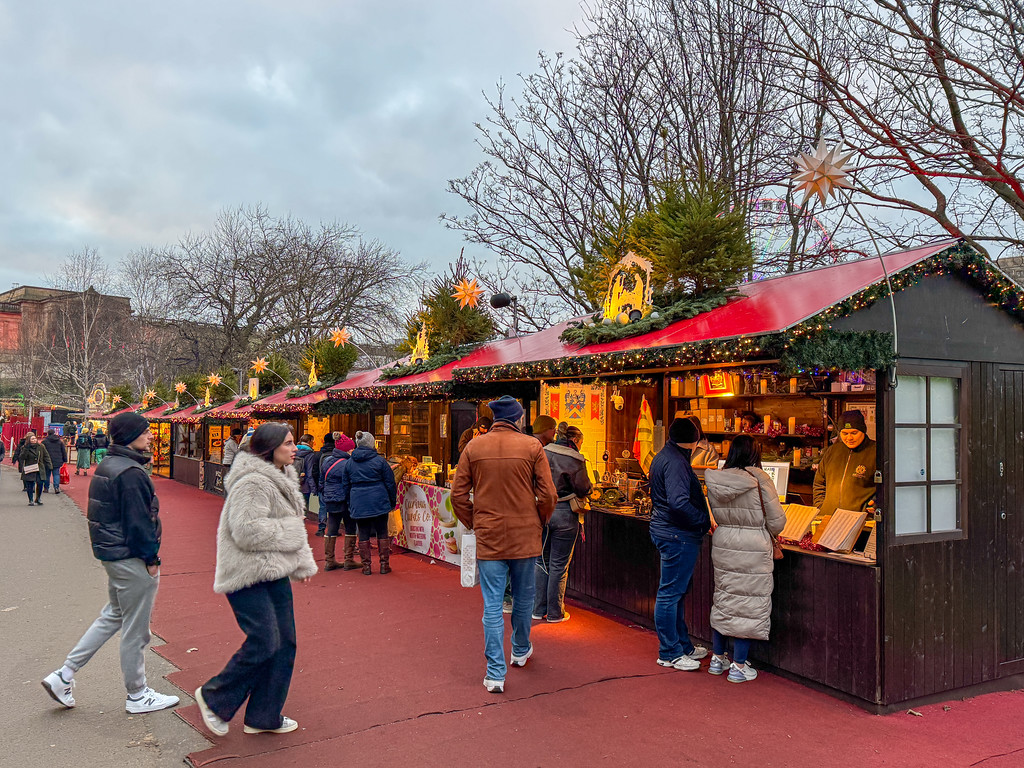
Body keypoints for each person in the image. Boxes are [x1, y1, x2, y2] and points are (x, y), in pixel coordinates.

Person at [41, 412, 179, 713]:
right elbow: (139, 522)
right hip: (130, 557)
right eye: (145, 431)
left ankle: (64, 674)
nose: (151, 435)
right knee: (136, 630)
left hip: (113, 553)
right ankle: (137, 694)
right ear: (131, 436)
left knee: (113, 615)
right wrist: (151, 558)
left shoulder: (110, 465)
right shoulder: (130, 472)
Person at [194, 422, 318, 738]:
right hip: (246, 572)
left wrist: (300, 562)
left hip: (272, 570)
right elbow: (246, 530)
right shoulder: (253, 482)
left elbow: (287, 522)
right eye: (288, 443)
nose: (295, 448)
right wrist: (293, 536)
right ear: (270, 448)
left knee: (285, 643)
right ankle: (215, 697)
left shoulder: (282, 477)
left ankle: (264, 715)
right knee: (265, 640)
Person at [452, 395, 557, 694]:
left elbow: (458, 496)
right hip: (525, 534)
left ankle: (495, 672)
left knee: (493, 604)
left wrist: (475, 521)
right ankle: (520, 649)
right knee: (524, 597)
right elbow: (548, 495)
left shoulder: (474, 447)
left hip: (490, 535)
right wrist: (539, 520)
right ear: (518, 418)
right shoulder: (532, 447)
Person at [703, 435, 787, 683]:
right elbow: (777, 522)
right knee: (748, 605)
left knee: (725, 600)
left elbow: (716, 512)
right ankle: (739, 666)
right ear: (754, 453)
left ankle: (717, 659)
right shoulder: (760, 478)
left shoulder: (717, 478)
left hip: (724, 542)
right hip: (753, 547)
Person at [648, 417, 712, 672]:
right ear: (694, 442)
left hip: (668, 529)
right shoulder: (677, 462)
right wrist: (702, 521)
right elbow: (679, 502)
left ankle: (682, 645)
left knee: (675, 593)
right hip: (678, 534)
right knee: (670, 593)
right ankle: (670, 652)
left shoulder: (664, 456)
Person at [533, 423, 592, 623]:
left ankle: (537, 609)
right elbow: (584, 488)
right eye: (581, 443)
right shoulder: (575, 459)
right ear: (574, 440)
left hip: (542, 511)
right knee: (558, 565)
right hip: (565, 513)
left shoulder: (542, 452)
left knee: (541, 561)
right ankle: (555, 613)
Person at [340, 432, 397, 575]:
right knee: (382, 531)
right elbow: (390, 483)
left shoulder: (350, 463)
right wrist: (392, 501)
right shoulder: (380, 461)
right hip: (379, 499)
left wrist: (350, 501)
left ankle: (366, 566)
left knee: (363, 531)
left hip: (358, 499)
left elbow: (345, 485)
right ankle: (384, 565)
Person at [813, 409, 877, 516]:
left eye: (854, 433)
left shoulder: (875, 452)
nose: (849, 438)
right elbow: (819, 483)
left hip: (860, 519)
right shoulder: (832, 451)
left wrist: (877, 501)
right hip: (828, 517)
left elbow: (886, 486)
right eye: (845, 433)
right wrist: (821, 507)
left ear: (863, 430)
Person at [320, 432, 357, 571]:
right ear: (347, 450)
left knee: (332, 527)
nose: (353, 451)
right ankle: (349, 559)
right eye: (351, 449)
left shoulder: (327, 460)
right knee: (350, 527)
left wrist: (325, 493)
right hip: (345, 499)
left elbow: (321, 480)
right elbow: (350, 482)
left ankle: (329, 560)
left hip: (330, 498)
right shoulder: (348, 463)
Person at [17, 432, 51, 506]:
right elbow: (22, 457)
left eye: (35, 438)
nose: (34, 440)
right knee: (30, 484)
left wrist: (49, 465)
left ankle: (38, 498)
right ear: (28, 440)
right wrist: (26, 448)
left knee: (40, 483)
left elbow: (46, 456)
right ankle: (31, 499)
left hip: (39, 467)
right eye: (32, 439)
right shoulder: (25, 447)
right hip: (30, 467)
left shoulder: (41, 446)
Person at [42, 429, 68, 494]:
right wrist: (65, 460)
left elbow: (42, 452)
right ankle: (56, 487)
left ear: (48, 434)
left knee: (47, 474)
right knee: (56, 474)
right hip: (57, 460)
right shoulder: (59, 442)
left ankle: (46, 488)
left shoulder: (44, 442)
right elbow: (63, 451)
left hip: (47, 460)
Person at [296, 434, 316, 516]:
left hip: (294, 482)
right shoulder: (309, 454)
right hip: (305, 485)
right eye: (313, 441)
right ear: (309, 441)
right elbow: (309, 472)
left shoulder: (294, 451)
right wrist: (313, 488)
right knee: (304, 509)